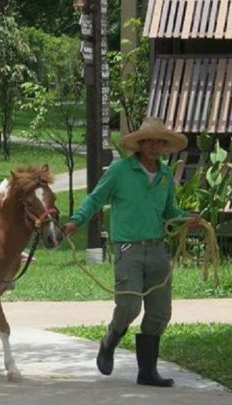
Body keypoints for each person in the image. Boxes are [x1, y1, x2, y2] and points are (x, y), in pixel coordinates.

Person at [62, 117, 201, 387]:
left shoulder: (164, 176)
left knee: (160, 312)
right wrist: (76, 220)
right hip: (129, 249)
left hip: (158, 249)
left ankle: (147, 372)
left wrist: (187, 219)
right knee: (129, 305)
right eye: (148, 140)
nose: (153, 145)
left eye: (158, 141)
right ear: (139, 143)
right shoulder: (120, 170)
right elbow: (95, 198)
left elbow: (170, 210)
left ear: (163, 145)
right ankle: (110, 339)